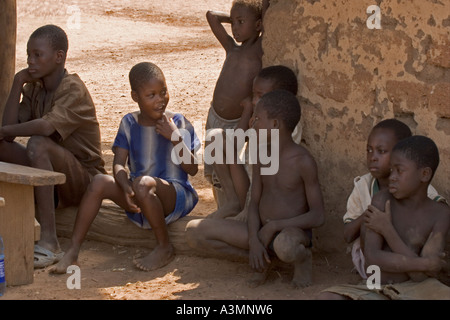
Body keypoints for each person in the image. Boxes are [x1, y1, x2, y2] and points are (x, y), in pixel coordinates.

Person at [50, 62, 200, 273]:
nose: (160, 100)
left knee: (143, 183)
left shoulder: (179, 123)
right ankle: (73, 252)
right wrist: (124, 186)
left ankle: (164, 247)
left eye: (163, 92)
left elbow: (192, 169)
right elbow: (119, 163)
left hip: (174, 195)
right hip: (138, 193)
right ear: (135, 97)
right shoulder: (129, 123)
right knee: (100, 181)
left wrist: (175, 137)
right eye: (152, 95)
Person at [186, 90, 325, 288]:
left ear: (275, 124)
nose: (252, 122)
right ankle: (262, 260)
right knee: (194, 232)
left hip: (290, 233)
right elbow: (255, 203)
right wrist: (253, 239)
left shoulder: (303, 162)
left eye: (258, 118)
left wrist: (275, 226)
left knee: (284, 246)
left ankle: (302, 259)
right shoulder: (262, 155)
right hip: (260, 230)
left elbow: (318, 216)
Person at [0, 25, 106, 268]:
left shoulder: (73, 88)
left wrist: (5, 131)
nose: (30, 61)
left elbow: (46, 128)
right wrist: (17, 82)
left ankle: (50, 241)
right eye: (28, 55)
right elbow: (7, 131)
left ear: (59, 57)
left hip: (84, 181)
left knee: (39, 143)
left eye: (38, 55)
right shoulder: (34, 88)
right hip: (54, 177)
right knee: (2, 148)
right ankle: (11, 218)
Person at [318, 135, 450, 300]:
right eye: (391, 170)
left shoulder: (441, 213)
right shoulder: (382, 200)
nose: (392, 177)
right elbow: (373, 258)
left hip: (418, 289)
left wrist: (388, 231)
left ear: (424, 174)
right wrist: (424, 263)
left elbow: (420, 277)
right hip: (376, 287)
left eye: (399, 171)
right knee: (327, 297)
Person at [343, 119, 446, 279]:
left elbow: (422, 277)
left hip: (417, 285)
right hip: (377, 280)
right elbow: (369, 255)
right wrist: (373, 214)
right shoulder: (377, 196)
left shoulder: (438, 209)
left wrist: (386, 228)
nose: (373, 157)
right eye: (369, 150)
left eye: (381, 151)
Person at [204, 0, 269, 218]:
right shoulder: (231, 47)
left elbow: (268, 14)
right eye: (233, 23)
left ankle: (236, 206)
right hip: (214, 116)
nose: (235, 28)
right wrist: (236, 16)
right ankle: (223, 209)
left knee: (232, 165)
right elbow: (211, 15)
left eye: (241, 22)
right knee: (215, 170)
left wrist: (256, 12)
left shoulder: (260, 50)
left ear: (259, 25)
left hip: (236, 121)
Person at [229, 65, 301, 219]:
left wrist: (256, 131)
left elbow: (267, 164)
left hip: (265, 190)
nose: (255, 101)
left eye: (260, 96)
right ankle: (234, 205)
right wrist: (248, 111)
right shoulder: (259, 118)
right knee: (218, 140)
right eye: (253, 95)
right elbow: (236, 143)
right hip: (249, 183)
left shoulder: (287, 124)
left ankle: (246, 213)